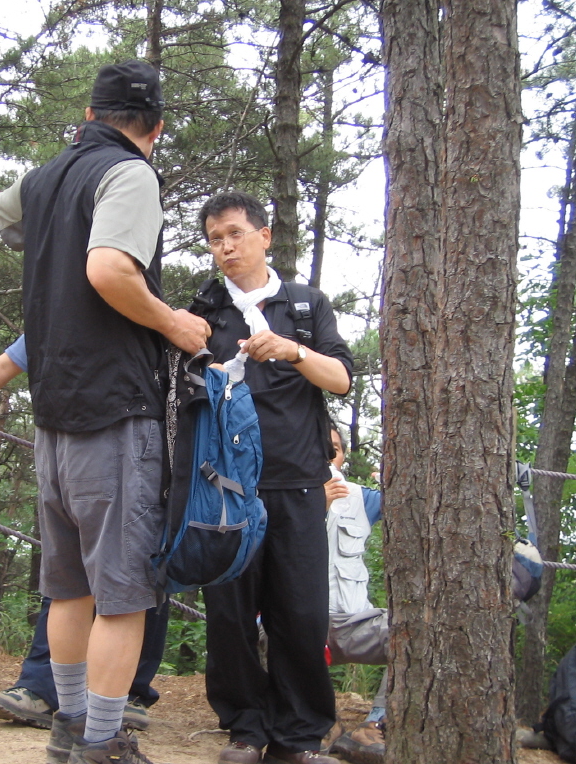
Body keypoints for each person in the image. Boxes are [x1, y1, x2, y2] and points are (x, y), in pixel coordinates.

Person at [0, 60, 209, 764]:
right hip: (115, 412)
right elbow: (108, 269)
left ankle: (70, 729)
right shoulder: (130, 173)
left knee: (69, 589)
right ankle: (102, 742)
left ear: (90, 114)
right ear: (155, 128)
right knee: (124, 596)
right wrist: (173, 324)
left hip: (53, 419)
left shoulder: (45, 177)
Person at [0, 337, 169, 733]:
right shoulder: (123, 309)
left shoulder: (65, 310)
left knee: (99, 584)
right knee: (114, 588)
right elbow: (7, 362)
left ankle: (102, 707)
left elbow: (5, 363)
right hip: (106, 439)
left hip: (81, 442)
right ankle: (89, 726)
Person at [190, 191, 353, 764]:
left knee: (301, 614)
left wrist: (292, 351)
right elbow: (180, 387)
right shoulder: (205, 310)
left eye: (235, 233)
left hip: (299, 481)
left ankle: (299, 737)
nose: (225, 247)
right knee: (229, 613)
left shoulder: (305, 306)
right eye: (215, 239)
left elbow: (342, 379)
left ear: (265, 236)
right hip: (225, 486)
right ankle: (245, 729)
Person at [321, 424, 388, 764]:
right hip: (301, 622)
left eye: (334, 449)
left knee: (414, 630)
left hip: (356, 622)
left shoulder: (364, 498)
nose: (327, 456)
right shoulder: (278, 496)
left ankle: (375, 725)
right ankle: (321, 724)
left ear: (343, 456)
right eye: (319, 447)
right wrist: (313, 505)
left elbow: (414, 503)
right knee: (268, 630)